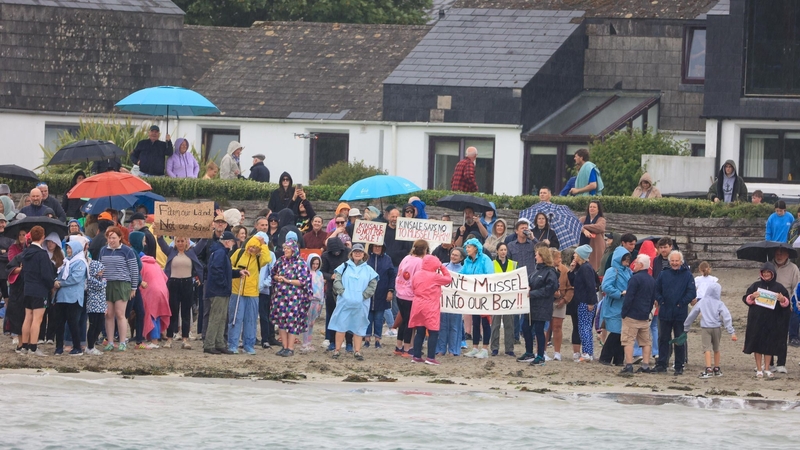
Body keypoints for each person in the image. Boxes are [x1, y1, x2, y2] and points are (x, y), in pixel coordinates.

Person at [328, 243, 379, 360]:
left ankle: (357, 351)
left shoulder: (368, 269)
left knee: (359, 327)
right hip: (344, 302)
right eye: (355, 251)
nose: (357, 253)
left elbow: (373, 284)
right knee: (341, 326)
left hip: (361, 304)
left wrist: (364, 295)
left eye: (360, 252)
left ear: (363, 254)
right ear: (351, 253)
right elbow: (337, 279)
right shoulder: (344, 266)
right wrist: (342, 292)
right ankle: (337, 350)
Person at [743, 262, 790, 378]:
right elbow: (746, 299)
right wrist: (752, 297)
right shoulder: (755, 286)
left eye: (769, 272)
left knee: (770, 345)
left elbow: (786, 303)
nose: (766, 274)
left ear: (773, 273)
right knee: (757, 344)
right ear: (761, 273)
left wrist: (782, 299)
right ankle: (759, 369)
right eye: (764, 272)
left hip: (773, 321)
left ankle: (767, 368)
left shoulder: (779, 287)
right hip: (757, 321)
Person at [654, 250, 697, 375]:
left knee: (679, 339)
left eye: (676, 261)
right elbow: (656, 290)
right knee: (663, 338)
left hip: (680, 313)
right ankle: (662, 364)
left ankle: (679, 365)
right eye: (672, 261)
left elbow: (691, 293)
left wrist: (681, 303)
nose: (674, 263)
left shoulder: (687, 275)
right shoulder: (663, 274)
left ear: (681, 261)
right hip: (665, 311)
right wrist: (661, 301)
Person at [204, 231, 247, 354]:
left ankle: (219, 343)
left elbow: (223, 271)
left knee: (221, 317)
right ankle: (210, 344)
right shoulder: (220, 253)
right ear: (228, 242)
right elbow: (217, 270)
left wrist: (238, 272)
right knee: (217, 317)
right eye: (233, 242)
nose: (234, 244)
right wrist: (224, 284)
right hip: (219, 291)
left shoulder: (219, 252)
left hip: (219, 290)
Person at [228, 236, 271, 354]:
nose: (252, 249)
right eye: (251, 246)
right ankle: (233, 344)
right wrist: (238, 271)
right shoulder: (239, 253)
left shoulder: (258, 259)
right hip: (237, 291)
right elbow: (229, 266)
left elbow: (267, 259)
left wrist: (263, 245)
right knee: (236, 318)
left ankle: (249, 345)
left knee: (250, 320)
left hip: (252, 293)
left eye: (255, 248)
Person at [17, 226, 56, 356]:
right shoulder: (41, 254)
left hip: (27, 288)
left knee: (28, 317)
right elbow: (46, 274)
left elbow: (22, 272)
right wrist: (51, 285)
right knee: (37, 319)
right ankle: (33, 347)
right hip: (39, 290)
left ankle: (24, 345)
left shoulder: (25, 253)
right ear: (43, 237)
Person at [99, 227, 139, 352]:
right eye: (109, 238)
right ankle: (110, 341)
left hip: (122, 284)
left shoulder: (127, 251)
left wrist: (133, 287)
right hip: (107, 284)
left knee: (120, 314)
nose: (111, 240)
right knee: (109, 314)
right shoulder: (103, 250)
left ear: (120, 238)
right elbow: (100, 267)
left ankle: (122, 341)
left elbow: (134, 269)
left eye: (114, 237)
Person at [684, 282, 736, 378]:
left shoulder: (702, 302)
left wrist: (686, 327)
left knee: (706, 349)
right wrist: (731, 331)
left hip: (706, 328)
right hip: (717, 327)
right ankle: (716, 368)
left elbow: (693, 314)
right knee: (716, 348)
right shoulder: (719, 303)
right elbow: (726, 316)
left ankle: (708, 369)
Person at [270, 238, 313, 357]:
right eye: (284, 248)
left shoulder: (300, 263)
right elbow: (273, 273)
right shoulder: (280, 261)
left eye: (288, 248)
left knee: (291, 322)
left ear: (294, 249)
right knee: (281, 322)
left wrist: (287, 280)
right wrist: (277, 278)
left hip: (294, 298)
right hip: (280, 296)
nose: (285, 250)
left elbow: (303, 281)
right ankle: (284, 346)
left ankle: (290, 347)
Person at [408, 255, 452, 365]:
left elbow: (412, 287)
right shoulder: (434, 276)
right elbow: (448, 279)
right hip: (430, 305)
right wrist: (442, 267)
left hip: (417, 304)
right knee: (433, 332)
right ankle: (430, 357)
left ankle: (416, 355)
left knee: (420, 331)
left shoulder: (417, 274)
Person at [520, 246, 559, 366]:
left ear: (542, 256)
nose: (535, 256)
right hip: (531, 306)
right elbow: (530, 283)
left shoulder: (550, 272)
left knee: (539, 331)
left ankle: (540, 355)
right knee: (526, 328)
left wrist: (532, 293)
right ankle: (529, 352)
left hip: (542, 306)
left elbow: (550, 289)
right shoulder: (536, 271)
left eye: (537, 254)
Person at [619, 254, 657, 374]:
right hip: (644, 315)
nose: (633, 265)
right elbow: (652, 299)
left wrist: (624, 312)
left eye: (635, 263)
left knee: (628, 340)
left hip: (632, 315)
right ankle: (645, 365)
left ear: (640, 265)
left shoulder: (634, 279)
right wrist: (647, 311)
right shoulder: (652, 280)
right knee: (646, 342)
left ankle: (629, 365)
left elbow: (629, 298)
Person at [163, 236, 203, 349]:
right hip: (173, 283)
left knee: (186, 312)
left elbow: (203, 242)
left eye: (182, 241)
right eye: (178, 241)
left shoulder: (192, 251)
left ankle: (185, 339)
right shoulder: (171, 251)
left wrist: (207, 229)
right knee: (173, 312)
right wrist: (159, 232)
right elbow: (160, 242)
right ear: (175, 242)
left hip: (187, 283)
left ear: (186, 241)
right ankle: (169, 338)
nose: (180, 243)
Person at [52, 240, 88, 356]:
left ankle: (77, 347)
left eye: (70, 248)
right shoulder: (66, 262)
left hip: (73, 298)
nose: (68, 251)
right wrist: (55, 281)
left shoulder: (80, 262)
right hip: (62, 297)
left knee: (73, 323)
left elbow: (76, 278)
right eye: (67, 248)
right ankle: (58, 348)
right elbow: (59, 275)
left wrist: (60, 283)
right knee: (59, 323)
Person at [393, 240, 429, 356]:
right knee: (409, 322)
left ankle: (399, 346)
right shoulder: (419, 262)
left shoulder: (406, 258)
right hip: (410, 295)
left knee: (403, 319)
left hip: (400, 293)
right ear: (424, 250)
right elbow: (418, 278)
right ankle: (407, 348)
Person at [461, 238, 495, 359]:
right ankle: (475, 347)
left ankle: (485, 348)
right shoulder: (467, 261)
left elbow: (490, 275)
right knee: (475, 321)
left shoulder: (485, 259)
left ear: (476, 247)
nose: (467, 249)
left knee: (485, 322)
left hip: (484, 295)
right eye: (466, 247)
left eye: (469, 247)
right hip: (473, 296)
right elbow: (461, 275)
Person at [599, 247, 632, 366]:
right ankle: (605, 358)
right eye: (625, 258)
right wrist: (619, 293)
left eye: (628, 258)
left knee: (621, 334)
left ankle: (618, 359)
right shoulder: (612, 271)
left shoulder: (628, 271)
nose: (627, 261)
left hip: (624, 306)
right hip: (613, 306)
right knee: (615, 333)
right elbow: (606, 287)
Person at [770, 246, 800, 373]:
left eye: (782, 253)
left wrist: (793, 303)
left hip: (785, 305)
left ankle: (781, 363)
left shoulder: (793, 268)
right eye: (777, 253)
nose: (779, 256)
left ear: (787, 254)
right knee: (768, 335)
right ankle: (769, 362)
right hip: (769, 305)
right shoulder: (768, 265)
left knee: (782, 336)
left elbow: (796, 288)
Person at [322, 237, 351, 351]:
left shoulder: (348, 253)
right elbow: (322, 271)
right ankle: (332, 340)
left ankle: (349, 342)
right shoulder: (325, 256)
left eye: (338, 251)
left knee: (348, 316)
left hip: (347, 288)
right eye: (334, 252)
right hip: (331, 289)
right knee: (332, 316)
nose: (337, 253)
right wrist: (330, 276)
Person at [569, 244, 597, 362]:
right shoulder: (582, 268)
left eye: (576, 254)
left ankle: (586, 353)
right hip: (583, 301)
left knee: (584, 328)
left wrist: (590, 302)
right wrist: (571, 270)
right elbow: (574, 282)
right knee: (585, 328)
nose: (574, 255)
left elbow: (591, 285)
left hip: (586, 302)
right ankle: (588, 353)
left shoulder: (586, 268)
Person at [139, 248, 171, 349]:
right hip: (163, 290)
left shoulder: (141, 265)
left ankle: (154, 341)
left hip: (152, 291)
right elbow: (165, 277)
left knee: (151, 315)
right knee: (157, 315)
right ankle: (157, 337)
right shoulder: (155, 264)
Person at [365, 244, 395, 349]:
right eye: (375, 246)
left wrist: (390, 290)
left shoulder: (387, 259)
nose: (377, 248)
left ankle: (378, 340)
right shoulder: (366, 258)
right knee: (367, 318)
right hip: (368, 293)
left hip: (382, 292)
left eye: (379, 246)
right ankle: (367, 339)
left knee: (379, 318)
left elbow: (392, 276)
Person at [437, 247, 465, 357]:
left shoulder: (463, 270)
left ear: (461, 258)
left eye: (456, 255)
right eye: (452, 254)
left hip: (456, 301)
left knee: (455, 326)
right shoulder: (443, 266)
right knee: (442, 325)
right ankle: (440, 349)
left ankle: (453, 350)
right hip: (443, 300)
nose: (453, 257)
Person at [490, 243, 517, 357]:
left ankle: (509, 349)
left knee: (509, 324)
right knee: (495, 324)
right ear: (497, 251)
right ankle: (494, 348)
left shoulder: (513, 264)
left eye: (505, 250)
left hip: (509, 298)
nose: (503, 252)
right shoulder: (492, 264)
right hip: (496, 298)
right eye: (501, 249)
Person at [548, 247, 572, 361]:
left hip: (560, 302)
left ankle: (557, 352)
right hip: (547, 301)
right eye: (558, 257)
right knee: (546, 328)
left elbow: (571, 288)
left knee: (557, 327)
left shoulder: (565, 270)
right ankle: (542, 351)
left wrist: (565, 299)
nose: (560, 259)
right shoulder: (546, 269)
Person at [300, 253, 324, 353]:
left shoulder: (320, 274)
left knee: (312, 323)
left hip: (317, 301)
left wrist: (322, 302)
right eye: (313, 263)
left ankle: (309, 342)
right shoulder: (306, 273)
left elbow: (322, 289)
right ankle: (305, 343)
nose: (315, 265)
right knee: (306, 322)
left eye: (317, 263)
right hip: (308, 300)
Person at [579, 200, 606, 270]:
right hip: (583, 244)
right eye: (590, 207)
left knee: (595, 267)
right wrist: (584, 231)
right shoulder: (583, 219)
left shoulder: (601, 220)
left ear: (598, 210)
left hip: (596, 248)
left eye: (594, 207)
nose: (592, 208)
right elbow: (576, 226)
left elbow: (599, 227)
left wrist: (584, 227)